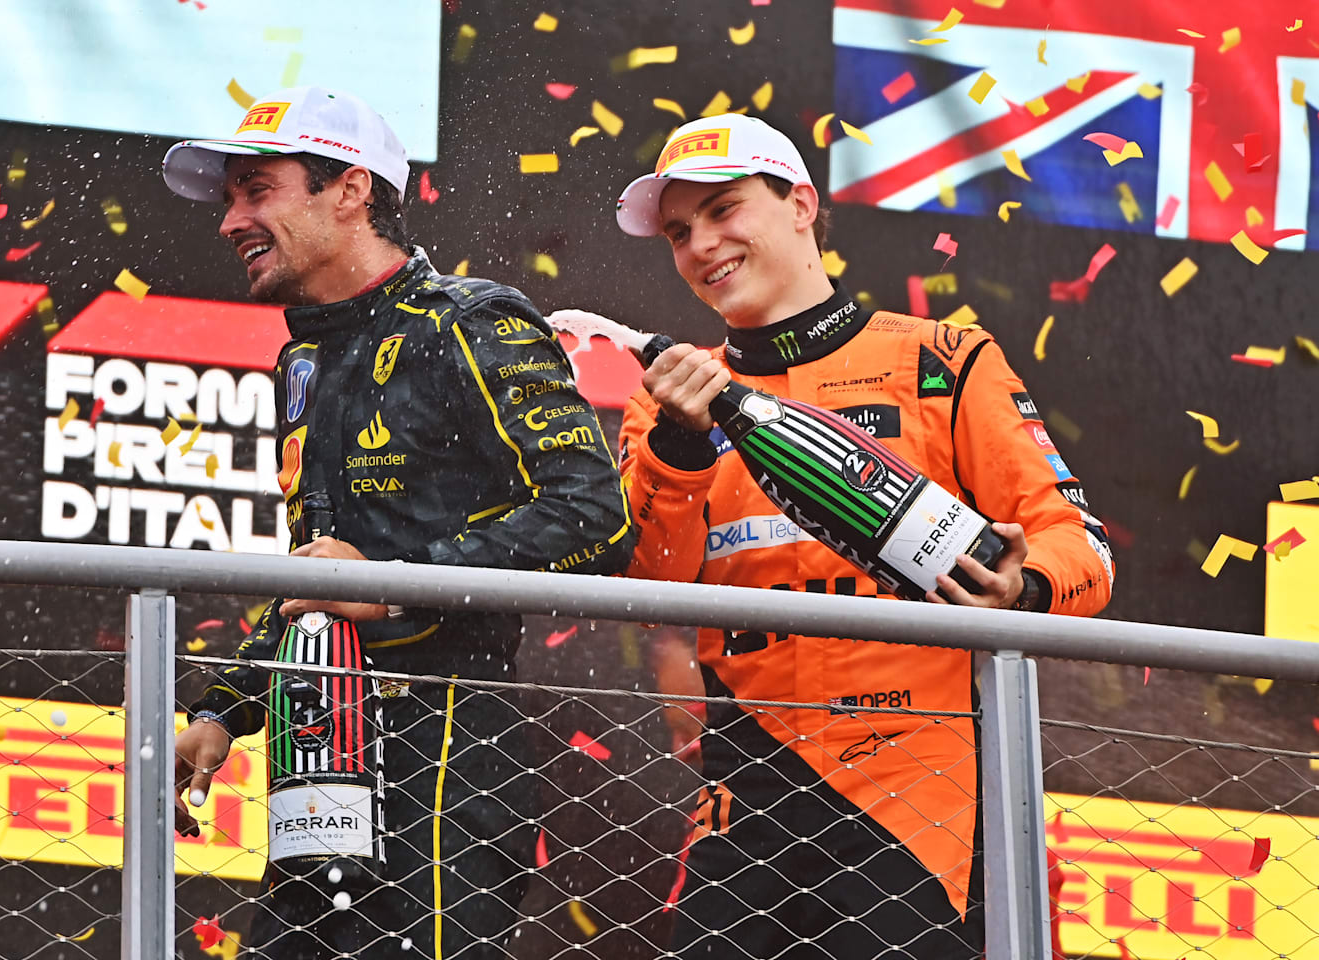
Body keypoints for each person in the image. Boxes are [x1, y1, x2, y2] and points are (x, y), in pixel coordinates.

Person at [613, 114, 1114, 958]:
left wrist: (1020, 589)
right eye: (678, 231)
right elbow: (647, 581)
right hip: (748, 790)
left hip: (922, 791)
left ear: (801, 204)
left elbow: (1083, 550)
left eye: (725, 209)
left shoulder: (945, 359)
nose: (701, 244)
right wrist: (679, 443)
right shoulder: (664, 399)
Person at [161, 85, 634, 959]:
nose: (231, 220)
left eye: (256, 189)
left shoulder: (473, 320)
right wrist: (225, 709)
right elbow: (320, 578)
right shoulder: (301, 356)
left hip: (452, 747)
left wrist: (392, 590)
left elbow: (595, 520)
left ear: (349, 190)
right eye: (229, 197)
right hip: (320, 745)